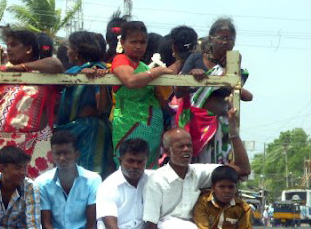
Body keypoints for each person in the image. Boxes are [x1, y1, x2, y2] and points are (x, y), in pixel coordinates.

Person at [0, 29, 64, 179]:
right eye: (7, 44)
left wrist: (20, 68)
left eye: (14, 44)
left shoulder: (42, 73)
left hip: (37, 145)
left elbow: (56, 64)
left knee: (38, 194)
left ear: (29, 49)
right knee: (6, 195)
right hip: (4, 145)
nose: (8, 48)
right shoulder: (1, 73)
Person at [177, 18, 253, 163]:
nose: (226, 42)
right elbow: (178, 91)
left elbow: (241, 92)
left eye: (230, 39)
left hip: (222, 126)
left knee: (220, 169)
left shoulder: (235, 64)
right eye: (222, 38)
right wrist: (193, 76)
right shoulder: (196, 59)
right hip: (197, 125)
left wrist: (228, 71)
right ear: (211, 39)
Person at [110, 21, 175, 167]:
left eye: (142, 42)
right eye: (133, 42)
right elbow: (131, 81)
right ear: (122, 42)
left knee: (148, 176)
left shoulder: (144, 67)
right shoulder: (120, 59)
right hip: (128, 125)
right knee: (129, 167)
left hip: (152, 128)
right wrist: (158, 71)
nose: (138, 46)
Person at [55, 30, 115, 178]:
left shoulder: (97, 70)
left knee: (89, 176)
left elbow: (102, 107)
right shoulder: (75, 72)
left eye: (69, 48)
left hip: (90, 131)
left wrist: (99, 81)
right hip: (74, 130)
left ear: (76, 51)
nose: (67, 52)